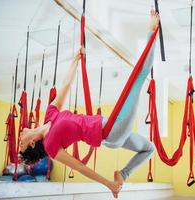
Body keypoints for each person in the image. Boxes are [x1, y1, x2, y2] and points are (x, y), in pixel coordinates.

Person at [19, 10, 159, 198]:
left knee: (149, 148)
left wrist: (76, 61)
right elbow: (79, 167)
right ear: (32, 142)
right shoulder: (52, 146)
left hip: (110, 133)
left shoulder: (49, 116)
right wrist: (108, 184)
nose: (20, 135)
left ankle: (123, 174)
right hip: (111, 130)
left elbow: (65, 86)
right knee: (139, 77)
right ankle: (152, 33)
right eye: (21, 143)